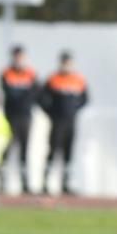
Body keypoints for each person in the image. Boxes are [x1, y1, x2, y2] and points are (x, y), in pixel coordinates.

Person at [37, 51, 88, 195]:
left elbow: (85, 99)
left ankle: (66, 184)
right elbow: (41, 98)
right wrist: (51, 113)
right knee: (53, 151)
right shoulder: (53, 79)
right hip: (57, 122)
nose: (67, 65)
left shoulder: (78, 79)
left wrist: (74, 110)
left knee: (68, 153)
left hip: (71, 121)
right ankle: (45, 183)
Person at [0, 45, 38, 194]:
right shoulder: (6, 73)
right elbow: (9, 93)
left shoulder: (31, 74)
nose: (19, 60)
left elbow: (35, 94)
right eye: (16, 56)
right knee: (7, 150)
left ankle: (25, 183)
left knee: (24, 150)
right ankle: (2, 181)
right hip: (10, 117)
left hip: (26, 117)